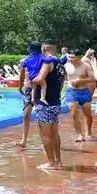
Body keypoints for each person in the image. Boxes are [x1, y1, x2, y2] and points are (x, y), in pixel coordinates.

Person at [32, 42, 66, 170]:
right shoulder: (60, 63)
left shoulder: (47, 62)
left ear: (44, 49)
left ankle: (51, 163)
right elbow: (62, 83)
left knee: (45, 134)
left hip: (45, 103)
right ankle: (58, 161)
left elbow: (40, 78)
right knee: (54, 133)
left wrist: (31, 79)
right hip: (55, 101)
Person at [64, 49, 94, 142]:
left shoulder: (86, 66)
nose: (70, 59)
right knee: (74, 113)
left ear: (79, 57)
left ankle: (88, 131)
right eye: (69, 56)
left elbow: (93, 78)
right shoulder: (66, 66)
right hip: (71, 91)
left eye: (72, 57)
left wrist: (80, 81)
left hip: (84, 91)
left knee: (88, 115)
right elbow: (63, 78)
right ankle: (80, 134)